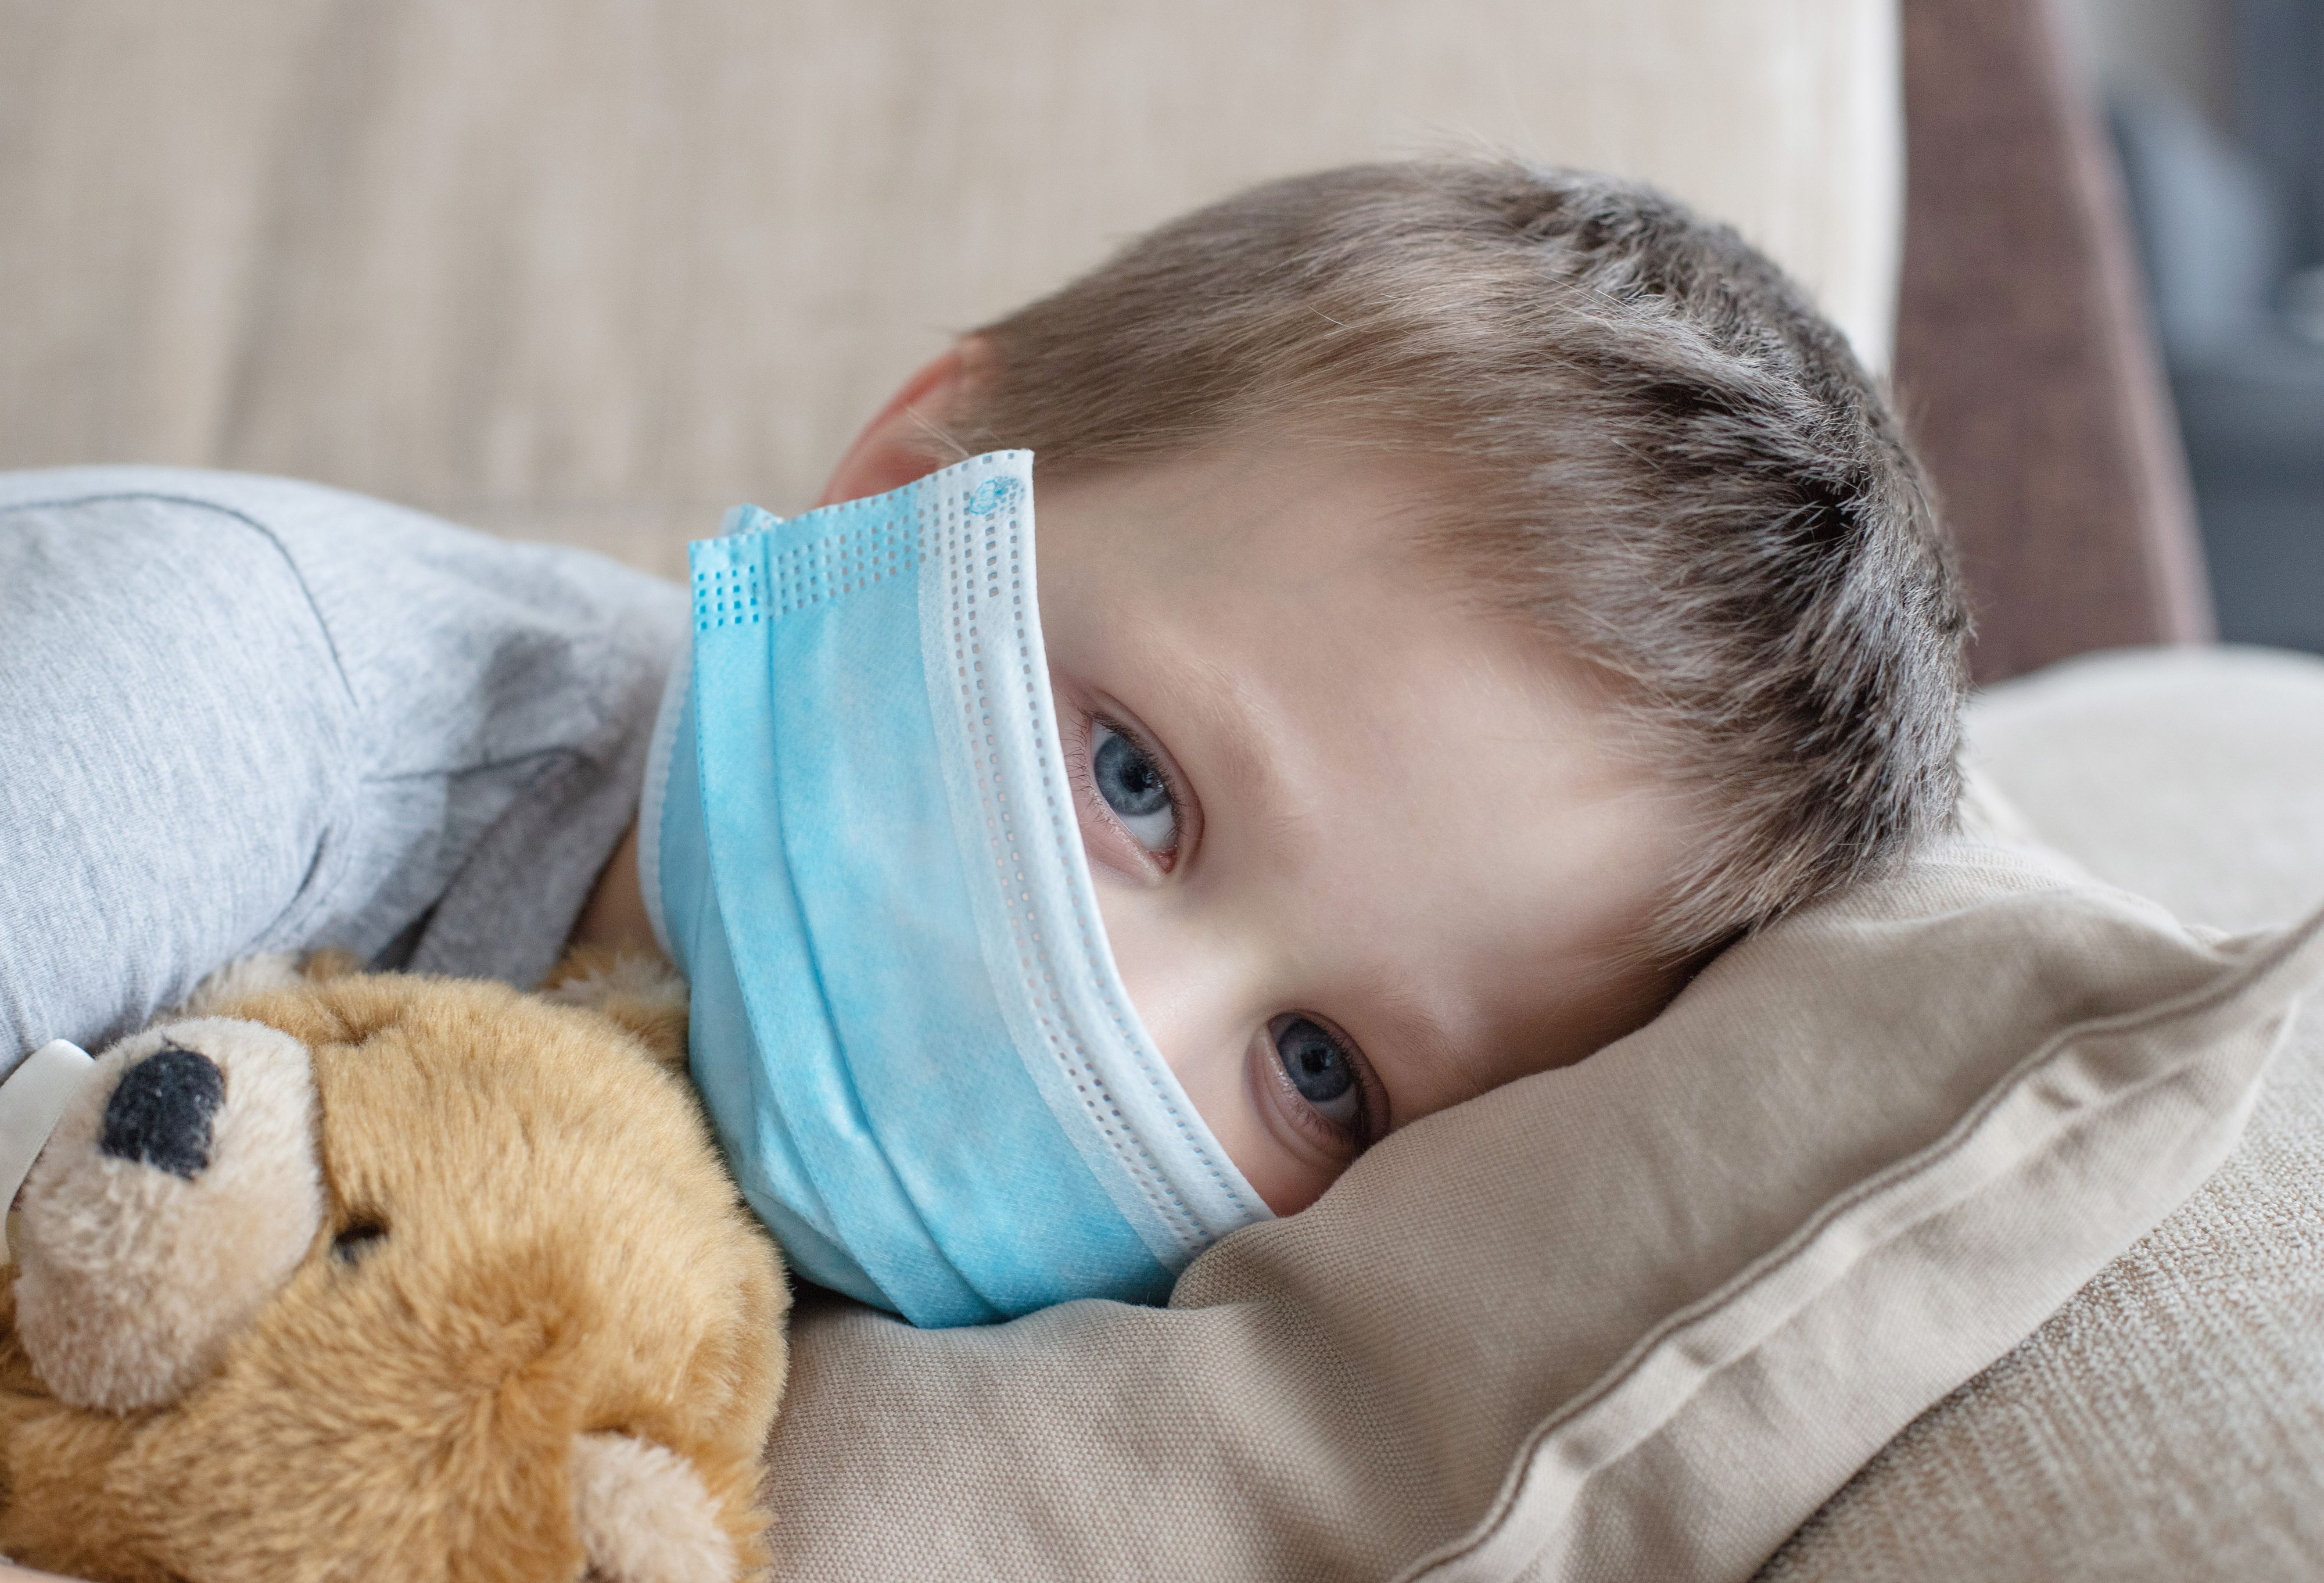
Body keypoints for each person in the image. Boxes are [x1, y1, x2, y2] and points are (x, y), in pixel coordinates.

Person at [0, 158, 1965, 1321]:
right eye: (1138, 780)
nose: (1104, 1019)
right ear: (907, 479)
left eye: (1319, 1071)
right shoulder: (218, 697)